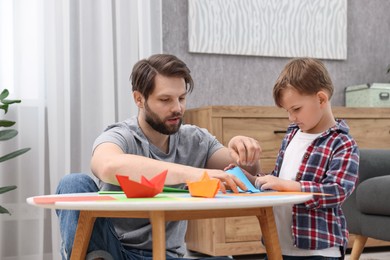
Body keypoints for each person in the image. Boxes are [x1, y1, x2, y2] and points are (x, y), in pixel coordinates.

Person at [55, 54, 261, 260]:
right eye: (165, 100)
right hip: (114, 251)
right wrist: (193, 174)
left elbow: (244, 175)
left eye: (181, 98)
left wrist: (246, 152)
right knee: (73, 183)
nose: (177, 108)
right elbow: (108, 166)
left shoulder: (196, 140)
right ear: (139, 99)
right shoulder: (120, 136)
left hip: (167, 255)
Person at [245, 58, 359, 259]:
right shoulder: (292, 135)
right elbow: (279, 180)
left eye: (296, 109)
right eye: (288, 111)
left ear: (321, 99)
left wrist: (287, 185)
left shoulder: (342, 143)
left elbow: (336, 191)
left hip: (318, 251)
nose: (291, 118)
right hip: (278, 245)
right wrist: (252, 178)